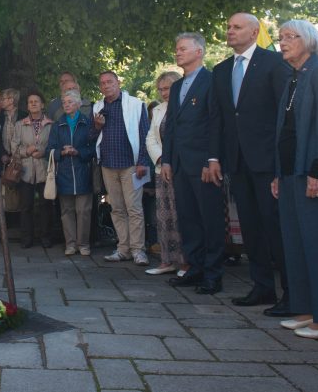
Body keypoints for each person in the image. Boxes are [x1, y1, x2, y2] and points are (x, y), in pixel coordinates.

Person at [208, 13, 291, 316]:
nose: (230, 31)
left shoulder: (273, 63)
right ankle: (262, 286)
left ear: (255, 31)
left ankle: (291, 293)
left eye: (236, 27)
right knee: (251, 227)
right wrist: (214, 157)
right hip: (237, 162)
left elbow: (284, 115)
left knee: (275, 227)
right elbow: (218, 117)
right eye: (228, 26)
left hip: (268, 162)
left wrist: (282, 163)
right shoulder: (221, 70)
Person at [271, 20, 318, 339]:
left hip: (312, 172)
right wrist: (278, 174)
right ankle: (305, 309)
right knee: (295, 243)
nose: (283, 42)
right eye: (281, 37)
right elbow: (284, 131)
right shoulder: (293, 78)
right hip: (289, 175)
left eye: (291, 37)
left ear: (310, 41)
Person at [161, 33, 222, 295]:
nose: (178, 53)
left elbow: (215, 123)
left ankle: (213, 274)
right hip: (180, 164)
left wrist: (212, 159)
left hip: (203, 163)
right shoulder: (176, 87)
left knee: (209, 219)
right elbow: (172, 126)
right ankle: (194, 267)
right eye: (176, 49)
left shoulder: (212, 81)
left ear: (199, 51)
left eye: (183, 48)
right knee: (188, 218)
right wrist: (167, 159)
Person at [94, 71, 152, 266]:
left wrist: (143, 160)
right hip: (108, 164)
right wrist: (97, 126)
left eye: (110, 81)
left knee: (134, 208)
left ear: (118, 83)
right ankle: (123, 248)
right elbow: (91, 138)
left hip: (131, 164)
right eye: (102, 83)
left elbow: (145, 133)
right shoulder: (98, 106)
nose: (106, 85)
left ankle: (138, 250)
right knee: (117, 209)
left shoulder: (135, 104)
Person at [144, 71, 186, 276]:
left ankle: (187, 261)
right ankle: (168, 260)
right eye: (160, 89)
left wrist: (172, 160)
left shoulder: (185, 106)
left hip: (182, 169)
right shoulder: (159, 110)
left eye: (167, 88)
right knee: (164, 215)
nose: (163, 93)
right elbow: (150, 137)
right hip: (162, 169)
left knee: (182, 215)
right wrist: (161, 158)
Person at [46, 89, 95, 256]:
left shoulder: (87, 123)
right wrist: (62, 152)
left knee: (84, 211)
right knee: (66, 211)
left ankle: (84, 244)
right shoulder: (57, 125)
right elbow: (49, 150)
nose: (66, 105)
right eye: (64, 102)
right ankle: (70, 244)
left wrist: (78, 152)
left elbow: (93, 149)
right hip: (64, 173)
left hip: (83, 172)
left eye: (70, 102)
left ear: (79, 104)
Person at [10, 91, 53, 248]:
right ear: (27, 106)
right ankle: (26, 238)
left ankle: (45, 237)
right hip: (25, 171)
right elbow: (13, 147)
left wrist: (43, 151)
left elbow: (53, 145)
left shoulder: (51, 124)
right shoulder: (20, 125)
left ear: (42, 105)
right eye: (30, 102)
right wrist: (26, 151)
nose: (33, 104)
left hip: (44, 169)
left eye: (36, 101)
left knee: (45, 205)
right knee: (26, 206)